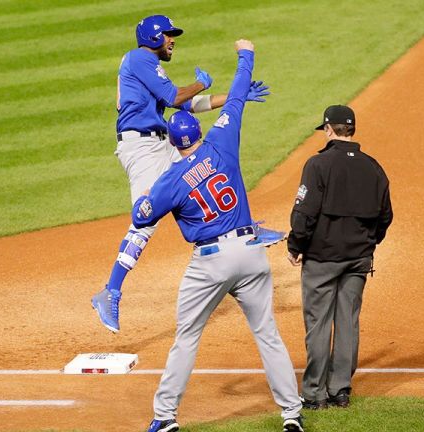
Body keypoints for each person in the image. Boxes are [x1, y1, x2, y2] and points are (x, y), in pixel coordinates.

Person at [132, 40, 304, 432]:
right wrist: (246, 56)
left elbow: (141, 217)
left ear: (174, 143)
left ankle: (164, 417)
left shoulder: (171, 180)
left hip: (211, 262)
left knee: (187, 337)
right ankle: (292, 415)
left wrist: (147, 198)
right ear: (197, 131)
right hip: (250, 249)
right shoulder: (221, 141)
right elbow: (237, 99)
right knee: (268, 335)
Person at [91, 15, 280, 334]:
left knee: (209, 168)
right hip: (142, 149)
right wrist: (202, 83)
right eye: (167, 35)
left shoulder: (148, 65)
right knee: (144, 221)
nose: (172, 40)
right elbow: (176, 98)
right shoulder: (139, 58)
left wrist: (236, 97)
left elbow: (189, 105)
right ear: (152, 38)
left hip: (158, 141)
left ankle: (243, 228)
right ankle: (110, 291)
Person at [286, 105, 393, 409]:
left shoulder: (318, 164)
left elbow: (304, 213)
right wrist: (367, 244)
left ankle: (314, 395)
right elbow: (385, 216)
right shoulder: (373, 168)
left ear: (329, 130)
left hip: (322, 259)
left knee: (319, 324)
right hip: (358, 260)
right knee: (347, 322)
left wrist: (296, 245)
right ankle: (340, 390)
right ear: (352, 130)